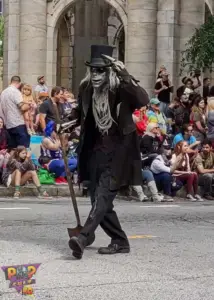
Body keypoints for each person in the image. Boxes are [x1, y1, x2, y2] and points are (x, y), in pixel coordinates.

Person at [68, 44, 149, 259]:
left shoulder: (121, 89)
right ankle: (120, 241)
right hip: (95, 151)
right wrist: (67, 123)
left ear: (110, 71)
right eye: (93, 70)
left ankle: (83, 237)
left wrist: (125, 75)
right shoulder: (86, 89)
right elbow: (80, 112)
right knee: (99, 199)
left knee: (103, 196)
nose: (96, 74)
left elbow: (143, 100)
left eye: (101, 70)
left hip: (119, 152)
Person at [0, 76, 31, 148]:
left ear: (11, 82)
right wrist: (30, 105)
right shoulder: (16, 92)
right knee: (23, 149)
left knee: (12, 149)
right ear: (19, 83)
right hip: (18, 124)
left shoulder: (3, 92)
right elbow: (23, 107)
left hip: (8, 125)